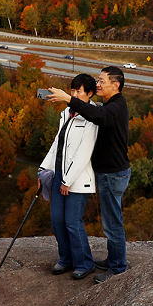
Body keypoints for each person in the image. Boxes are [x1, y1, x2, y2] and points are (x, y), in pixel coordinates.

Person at [48, 66, 129, 283]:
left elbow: (97, 116)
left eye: (102, 81)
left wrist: (68, 99)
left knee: (112, 224)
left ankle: (118, 267)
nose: (99, 84)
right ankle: (113, 260)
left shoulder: (116, 107)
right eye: (98, 80)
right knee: (109, 222)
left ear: (116, 84)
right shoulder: (108, 105)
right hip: (106, 173)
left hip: (114, 174)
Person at [40, 73, 100, 280]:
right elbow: (58, 144)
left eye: (78, 91)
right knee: (57, 221)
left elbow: (85, 152)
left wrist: (67, 180)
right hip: (58, 176)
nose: (73, 94)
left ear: (89, 93)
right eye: (72, 90)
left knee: (72, 222)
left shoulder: (92, 117)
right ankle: (65, 259)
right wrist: (44, 170)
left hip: (77, 180)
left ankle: (84, 263)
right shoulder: (66, 113)